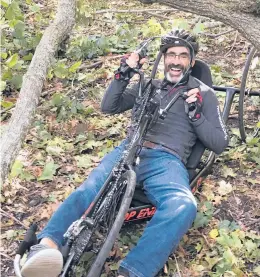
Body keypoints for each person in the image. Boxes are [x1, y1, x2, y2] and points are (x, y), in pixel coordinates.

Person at [20, 29, 229, 277]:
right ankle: (46, 246)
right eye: (171, 55)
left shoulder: (203, 93)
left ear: (192, 62)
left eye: (183, 56)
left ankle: (134, 271)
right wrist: (122, 74)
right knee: (88, 190)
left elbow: (219, 143)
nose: (176, 61)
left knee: (183, 205)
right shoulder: (149, 85)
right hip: (129, 149)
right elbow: (109, 106)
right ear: (163, 59)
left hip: (167, 160)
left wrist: (195, 114)